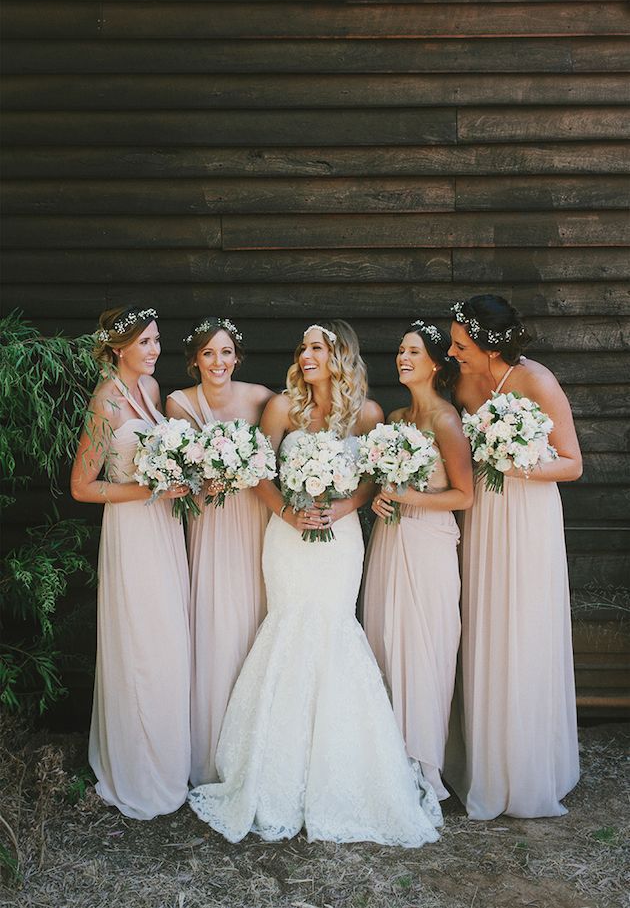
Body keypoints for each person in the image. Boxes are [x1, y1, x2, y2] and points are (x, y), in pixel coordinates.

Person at [188, 321, 442, 846]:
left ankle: (345, 774)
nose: (306, 355)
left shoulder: (367, 414)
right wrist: (286, 512)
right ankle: (272, 776)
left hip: (341, 539)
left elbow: (371, 477)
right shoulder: (282, 408)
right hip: (287, 538)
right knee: (288, 628)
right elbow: (259, 470)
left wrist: (344, 507)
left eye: (317, 348)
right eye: (303, 347)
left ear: (339, 356)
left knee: (334, 631)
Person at [443, 294, 582, 819]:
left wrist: (516, 462)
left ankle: (527, 766)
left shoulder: (536, 381)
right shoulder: (461, 384)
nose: (452, 352)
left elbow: (572, 464)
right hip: (482, 515)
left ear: (489, 346)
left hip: (527, 517)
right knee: (487, 623)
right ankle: (487, 760)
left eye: (461, 345)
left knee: (524, 626)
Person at [70, 306, 191, 819]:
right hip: (132, 531)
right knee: (141, 641)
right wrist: (147, 489)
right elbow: (82, 486)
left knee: (167, 638)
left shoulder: (152, 388)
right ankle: (138, 768)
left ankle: (168, 759)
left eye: (157, 340)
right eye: (145, 342)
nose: (155, 350)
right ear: (119, 348)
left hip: (164, 528)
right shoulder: (106, 403)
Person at [362, 320, 473, 801]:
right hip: (390, 539)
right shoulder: (395, 418)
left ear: (435, 364)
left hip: (429, 544)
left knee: (426, 646)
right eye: (400, 350)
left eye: (413, 352)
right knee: (386, 636)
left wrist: (410, 497)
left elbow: (464, 495)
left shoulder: (446, 421)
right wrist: (382, 498)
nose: (402, 358)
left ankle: (425, 765)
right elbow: (387, 483)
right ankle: (388, 761)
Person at [165, 318, 273, 787]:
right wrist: (202, 479)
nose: (218, 362)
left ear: (237, 357)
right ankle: (211, 752)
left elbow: (281, 448)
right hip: (210, 522)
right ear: (195, 360)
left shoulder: (260, 398)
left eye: (226, 352)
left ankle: (256, 750)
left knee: (254, 616)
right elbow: (178, 471)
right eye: (208, 353)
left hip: (254, 517)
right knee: (216, 621)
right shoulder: (179, 402)